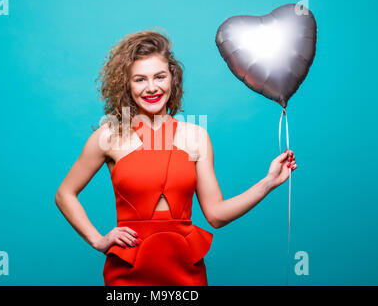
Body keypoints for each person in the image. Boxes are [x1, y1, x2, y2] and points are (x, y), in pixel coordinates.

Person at [54, 29, 297, 286]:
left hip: (185, 272)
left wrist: (267, 183)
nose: (151, 88)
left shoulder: (196, 136)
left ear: (173, 78)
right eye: (140, 79)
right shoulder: (110, 136)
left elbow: (215, 215)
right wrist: (98, 240)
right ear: (126, 84)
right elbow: (64, 194)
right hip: (128, 271)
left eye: (159, 76)